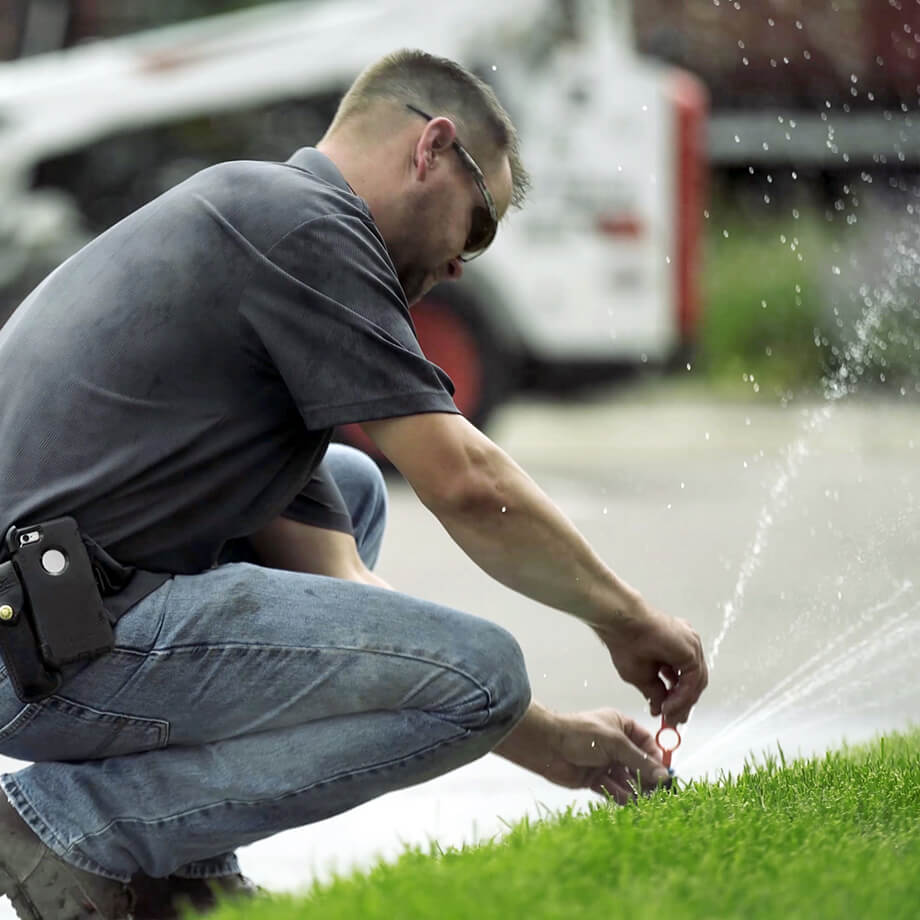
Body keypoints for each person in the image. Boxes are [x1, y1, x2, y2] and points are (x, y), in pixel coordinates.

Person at [0, 48, 707, 920]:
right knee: (488, 668)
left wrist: (557, 744)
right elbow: (463, 479)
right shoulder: (304, 227)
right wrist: (627, 619)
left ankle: (172, 861)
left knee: (353, 486)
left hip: (49, 622)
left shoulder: (261, 217)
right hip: (37, 645)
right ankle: (72, 826)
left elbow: (340, 592)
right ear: (431, 148)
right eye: (476, 225)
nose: (461, 265)